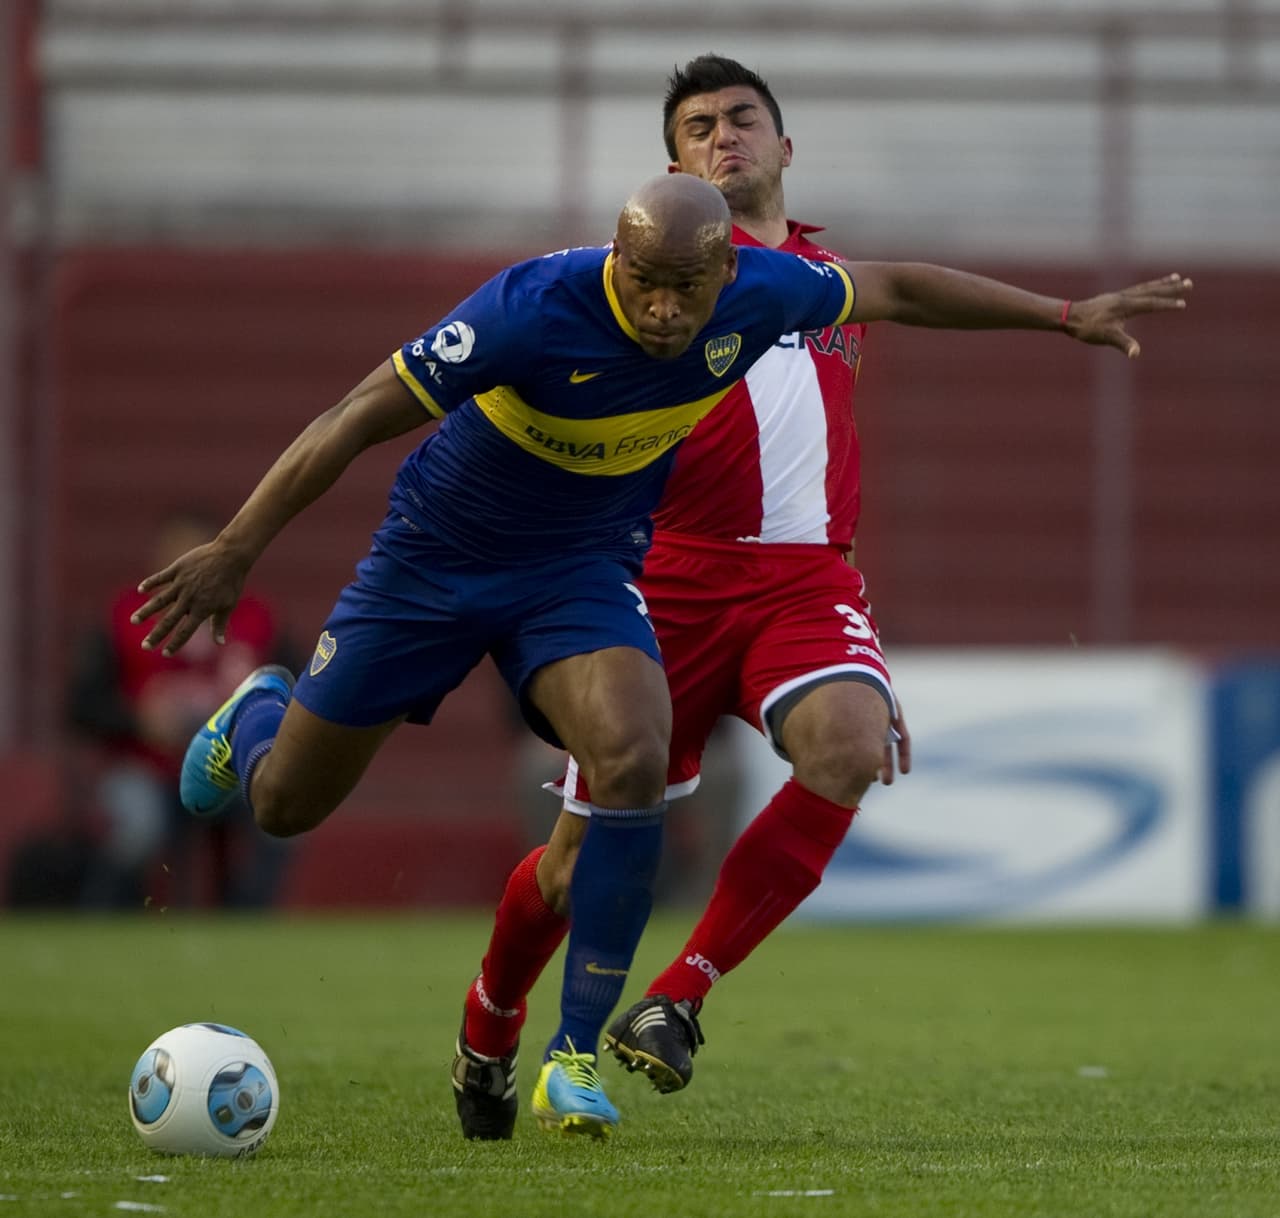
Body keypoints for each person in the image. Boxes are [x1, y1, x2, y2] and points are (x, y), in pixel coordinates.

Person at [132, 172, 1187, 1143]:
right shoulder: (529, 307)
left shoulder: (765, 296)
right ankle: (261, 711)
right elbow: (356, 415)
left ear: (726, 272)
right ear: (615, 259)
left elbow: (899, 287)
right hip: (435, 563)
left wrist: (1062, 315)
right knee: (283, 805)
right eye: (646, 285)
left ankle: (573, 1053)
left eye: (688, 289)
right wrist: (236, 548)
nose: (666, 312)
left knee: (632, 755)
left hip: (579, 570)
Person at [451, 56, 1193, 1141]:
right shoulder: (644, 286)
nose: (722, 138)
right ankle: (489, 1020)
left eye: (742, 119)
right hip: (658, 582)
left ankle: (679, 997)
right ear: (673, 169)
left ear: (785, 147)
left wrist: (1061, 313)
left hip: (801, 581)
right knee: (574, 866)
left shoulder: (819, 279)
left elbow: (914, 288)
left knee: (846, 747)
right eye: (697, 128)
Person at [67, 508, 289, 908]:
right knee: (139, 827)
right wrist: (138, 720)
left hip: (231, 768)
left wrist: (252, 720)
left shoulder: (257, 618)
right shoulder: (125, 615)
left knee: (284, 812)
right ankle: (106, 923)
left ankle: (249, 925)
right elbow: (82, 705)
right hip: (145, 767)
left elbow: (298, 690)